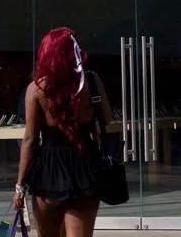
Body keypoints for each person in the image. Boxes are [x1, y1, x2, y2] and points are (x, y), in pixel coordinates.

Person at [14, 27, 112, 237]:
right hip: (85, 165)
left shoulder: (37, 89)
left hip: (48, 170)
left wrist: (20, 186)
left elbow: (30, 139)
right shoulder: (92, 82)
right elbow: (107, 119)